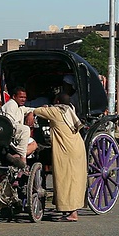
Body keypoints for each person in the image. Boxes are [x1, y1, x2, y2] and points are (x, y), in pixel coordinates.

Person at [33, 93, 86, 222]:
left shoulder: (56, 111)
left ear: (57, 101)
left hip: (66, 150)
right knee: (75, 180)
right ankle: (72, 210)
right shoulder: (70, 110)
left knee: (65, 179)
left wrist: (42, 108)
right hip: (78, 147)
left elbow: (36, 110)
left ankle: (72, 214)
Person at [1, 86, 37, 167]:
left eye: (24, 97)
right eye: (21, 97)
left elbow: (29, 109)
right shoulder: (11, 104)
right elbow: (9, 123)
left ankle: (18, 155)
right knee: (25, 129)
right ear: (14, 97)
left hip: (16, 135)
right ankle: (22, 158)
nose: (23, 99)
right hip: (10, 135)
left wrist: (31, 113)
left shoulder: (19, 107)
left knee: (34, 144)